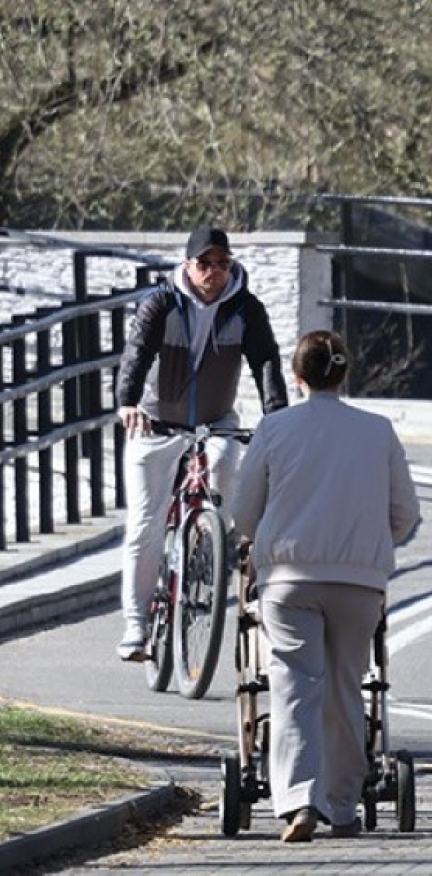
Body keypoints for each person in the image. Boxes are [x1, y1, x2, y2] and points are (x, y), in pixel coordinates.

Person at [231, 330, 421, 842]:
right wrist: (370, 543)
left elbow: (244, 511)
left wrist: (262, 538)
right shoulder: (378, 431)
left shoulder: (274, 428)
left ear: (297, 377)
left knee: (294, 684)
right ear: (344, 373)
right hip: (358, 582)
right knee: (345, 687)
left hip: (288, 579)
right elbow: (405, 512)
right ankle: (341, 805)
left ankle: (299, 799)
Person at [114, 227, 289, 662]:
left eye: (222, 263)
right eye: (204, 263)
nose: (214, 272)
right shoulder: (160, 303)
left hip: (216, 419)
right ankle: (136, 626)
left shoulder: (245, 309)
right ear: (188, 265)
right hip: (155, 422)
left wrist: (277, 416)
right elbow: (137, 352)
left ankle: (208, 545)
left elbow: (266, 361)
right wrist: (127, 402)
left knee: (227, 468)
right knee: (144, 525)